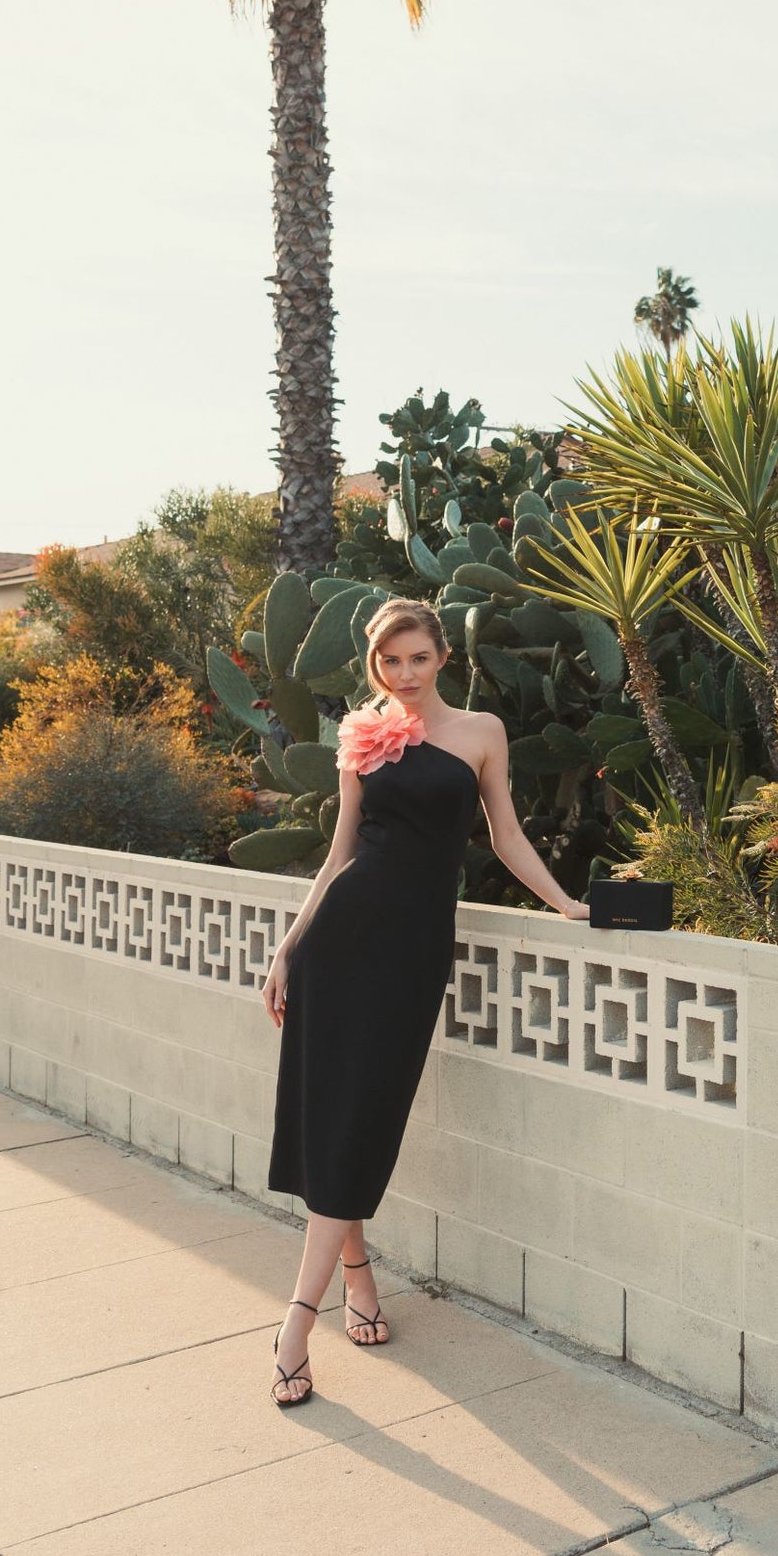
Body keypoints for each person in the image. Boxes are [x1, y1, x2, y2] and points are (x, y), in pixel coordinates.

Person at [261, 596, 589, 1406]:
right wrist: (287, 947)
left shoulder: (481, 733)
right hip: (342, 938)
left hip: (411, 949)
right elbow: (339, 854)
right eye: (387, 663)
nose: (401, 676)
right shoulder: (360, 736)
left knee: (367, 1110)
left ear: (442, 657)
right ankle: (312, 1313)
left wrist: (566, 905)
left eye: (415, 659)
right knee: (338, 1108)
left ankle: (328, 1297)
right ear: (373, 666)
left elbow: (506, 836)